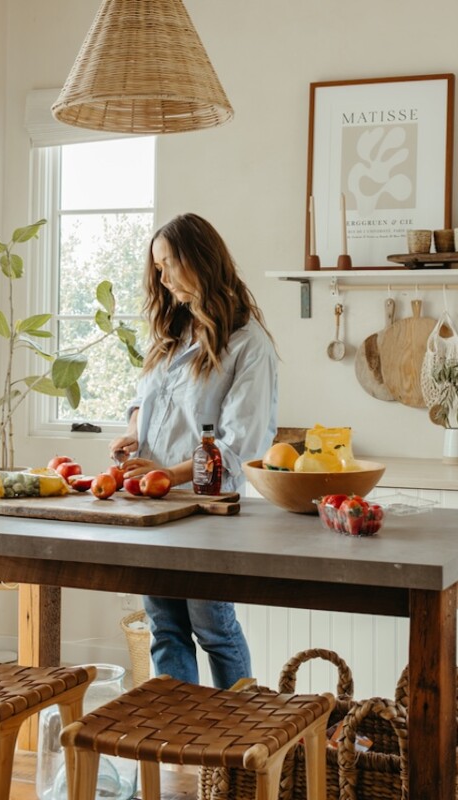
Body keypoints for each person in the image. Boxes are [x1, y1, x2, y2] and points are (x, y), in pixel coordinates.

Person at [109, 213, 278, 688]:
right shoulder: (172, 330)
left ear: (198, 261)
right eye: (157, 268)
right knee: (165, 630)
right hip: (154, 508)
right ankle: (184, 748)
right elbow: (144, 399)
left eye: (169, 265)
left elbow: (239, 448)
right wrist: (132, 433)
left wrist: (166, 475)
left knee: (213, 629)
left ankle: (237, 749)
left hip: (206, 512)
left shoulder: (248, 345)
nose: (161, 278)